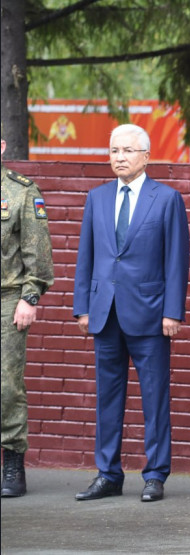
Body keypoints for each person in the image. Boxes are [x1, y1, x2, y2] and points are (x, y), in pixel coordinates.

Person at [73, 124, 190, 502]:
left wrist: (172, 312)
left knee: (155, 398)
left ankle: (155, 475)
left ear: (146, 156)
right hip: (105, 313)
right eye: (114, 151)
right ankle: (108, 474)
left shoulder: (167, 199)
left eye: (127, 150)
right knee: (107, 399)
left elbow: (177, 260)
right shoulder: (97, 198)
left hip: (151, 315)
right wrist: (83, 308)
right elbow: (86, 256)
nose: (119, 157)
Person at [1, 138, 54, 498]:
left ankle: (12, 462)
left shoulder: (21, 191)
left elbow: (38, 253)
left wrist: (29, 297)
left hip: (7, 299)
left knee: (6, 385)